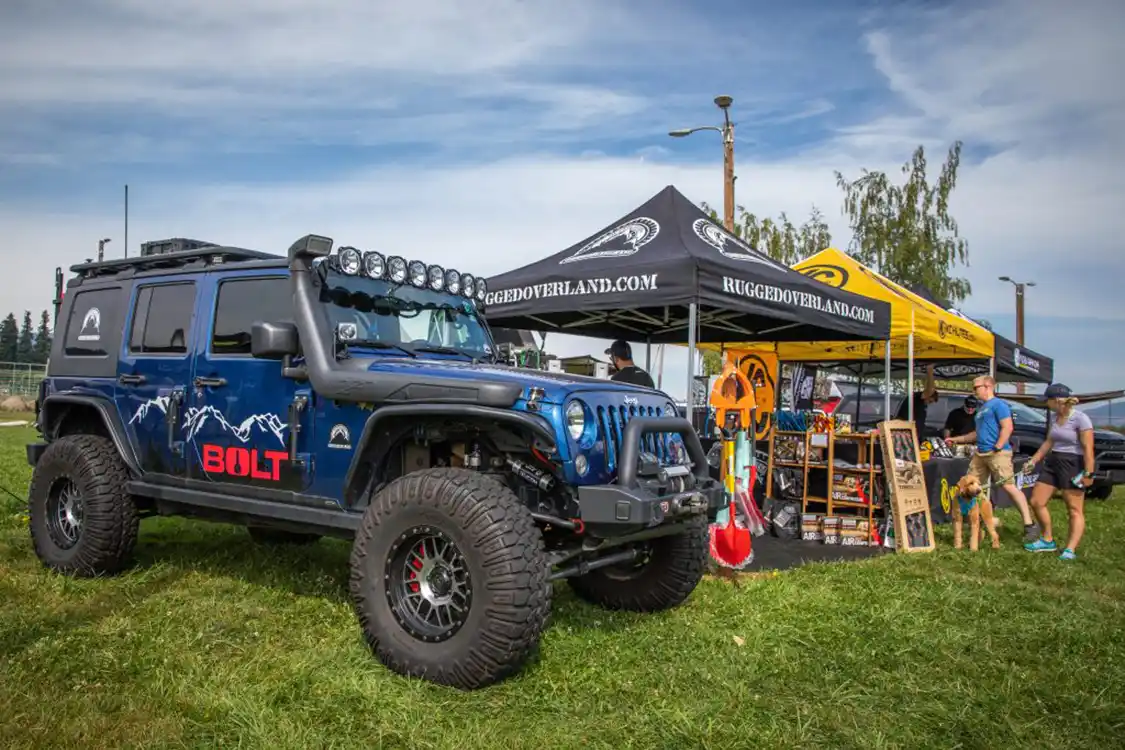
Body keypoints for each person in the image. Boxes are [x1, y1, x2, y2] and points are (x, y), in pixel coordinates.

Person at [946, 375, 1040, 542]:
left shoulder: (999, 405)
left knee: (1008, 486)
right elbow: (977, 433)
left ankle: (1029, 524)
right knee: (970, 488)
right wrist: (956, 439)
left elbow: (1007, 426)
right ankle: (978, 525)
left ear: (988, 386)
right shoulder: (982, 409)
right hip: (980, 454)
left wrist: (998, 446)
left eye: (976, 387)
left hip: (997, 453)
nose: (974, 391)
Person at [1022, 383, 1095, 560]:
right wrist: (1033, 460)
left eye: (1047, 400)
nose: (1046, 404)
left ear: (1056, 401)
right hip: (1053, 461)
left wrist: (1089, 473)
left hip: (1072, 463)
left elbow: (1088, 448)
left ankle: (1070, 550)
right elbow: (1049, 442)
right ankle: (1048, 540)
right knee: (1037, 501)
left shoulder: (1080, 419)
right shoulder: (1055, 417)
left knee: (1074, 509)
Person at [894, 367, 938, 438]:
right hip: (907, 434)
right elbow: (931, 390)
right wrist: (930, 371)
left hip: (915, 435)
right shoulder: (917, 398)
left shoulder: (922, 403)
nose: (929, 403)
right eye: (930, 401)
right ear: (927, 395)